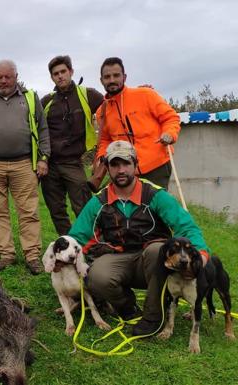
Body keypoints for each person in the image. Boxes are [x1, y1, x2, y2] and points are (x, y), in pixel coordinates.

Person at [69, 140, 210, 336]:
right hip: (118, 258)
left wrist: (201, 256)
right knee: (97, 275)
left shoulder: (155, 195)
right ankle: (128, 308)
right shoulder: (98, 202)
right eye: (115, 164)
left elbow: (186, 227)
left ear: (136, 165)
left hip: (155, 263)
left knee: (156, 250)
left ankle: (154, 316)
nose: (121, 170)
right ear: (107, 168)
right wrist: (61, 263)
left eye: (126, 163)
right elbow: (76, 237)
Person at [0, 60, 50, 274]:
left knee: (29, 211)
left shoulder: (31, 98)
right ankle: (6, 254)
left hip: (24, 163)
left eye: (8, 76)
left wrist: (43, 158)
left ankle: (32, 256)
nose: (3, 81)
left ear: (16, 76)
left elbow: (43, 129)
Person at [41, 55, 104, 235]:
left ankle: (92, 244)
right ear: (52, 77)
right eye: (55, 74)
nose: (60, 76)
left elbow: (113, 103)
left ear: (71, 72)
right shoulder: (46, 101)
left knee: (84, 207)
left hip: (74, 162)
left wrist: (140, 92)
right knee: (56, 210)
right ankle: (68, 243)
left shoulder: (88, 95)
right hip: (50, 164)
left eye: (63, 72)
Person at [95, 57, 181, 189]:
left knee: (153, 207)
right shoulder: (102, 111)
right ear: (101, 81)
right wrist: (102, 157)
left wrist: (169, 134)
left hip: (156, 166)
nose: (112, 80)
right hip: (124, 170)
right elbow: (105, 139)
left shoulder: (146, 94)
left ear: (124, 77)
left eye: (116, 75)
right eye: (107, 77)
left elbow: (170, 118)